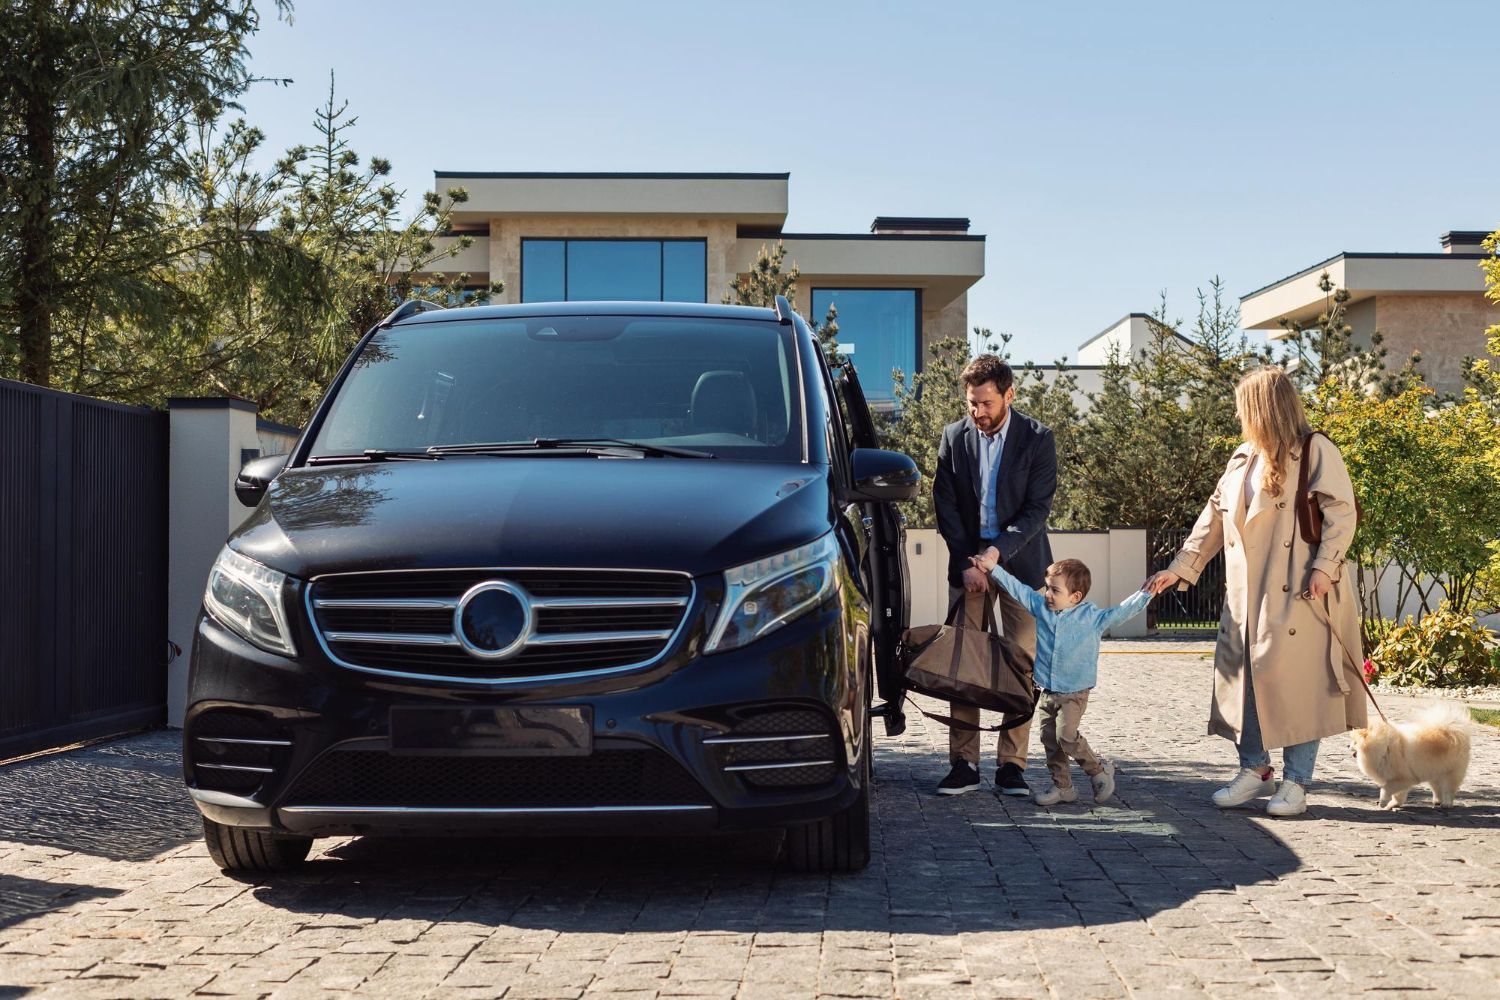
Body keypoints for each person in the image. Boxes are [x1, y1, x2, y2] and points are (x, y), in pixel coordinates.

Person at [1146, 365, 1366, 817]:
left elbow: (1342, 513)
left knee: (1299, 683)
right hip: (1246, 590)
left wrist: (1324, 568)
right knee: (1241, 677)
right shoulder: (1243, 457)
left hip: (1299, 584)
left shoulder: (1314, 449)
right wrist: (1180, 567)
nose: (1237, 415)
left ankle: (1297, 782)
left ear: (1263, 407)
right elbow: (1212, 518)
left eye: (1243, 406)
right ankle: (1255, 768)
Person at [931, 354, 1057, 797]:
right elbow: (945, 505)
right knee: (964, 663)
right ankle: (964, 763)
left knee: (1020, 664)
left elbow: (1036, 510)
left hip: (1020, 566)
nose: (978, 411)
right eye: (971, 402)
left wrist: (995, 555)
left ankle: (1011, 766)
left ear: (1009, 395)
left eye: (986, 403)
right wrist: (970, 562)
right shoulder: (954, 437)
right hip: (969, 566)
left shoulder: (1038, 438)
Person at [971, 553, 1152, 805]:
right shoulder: (1041, 608)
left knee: (1066, 736)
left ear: (1075, 597)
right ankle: (1063, 787)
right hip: (1047, 692)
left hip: (1074, 693)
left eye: (1055, 590)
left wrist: (1146, 593)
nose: (1047, 594)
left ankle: (1098, 771)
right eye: (1047, 587)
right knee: (1050, 741)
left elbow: (1121, 612)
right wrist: (992, 567)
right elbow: (1017, 588)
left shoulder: (1091, 618)